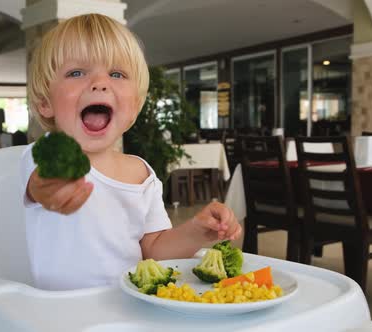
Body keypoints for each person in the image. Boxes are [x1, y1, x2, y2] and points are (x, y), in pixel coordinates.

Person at [21, 14, 241, 290]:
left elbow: (154, 251)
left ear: (135, 106)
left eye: (116, 74)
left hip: (130, 307)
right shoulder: (41, 156)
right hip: (59, 315)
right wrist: (48, 187)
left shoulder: (141, 173)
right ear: (45, 103)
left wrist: (196, 232)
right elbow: (38, 185)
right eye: (76, 73)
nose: (100, 83)